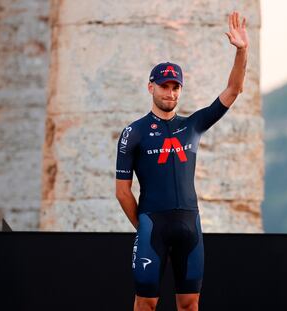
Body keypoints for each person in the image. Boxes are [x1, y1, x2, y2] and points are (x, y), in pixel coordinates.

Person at [115, 11, 248, 311]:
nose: (170, 92)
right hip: (153, 224)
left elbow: (233, 90)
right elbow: (122, 191)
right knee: (146, 303)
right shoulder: (133, 132)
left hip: (190, 223)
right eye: (164, 86)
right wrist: (144, 225)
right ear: (151, 88)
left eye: (175, 87)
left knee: (189, 304)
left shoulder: (194, 125)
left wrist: (242, 51)